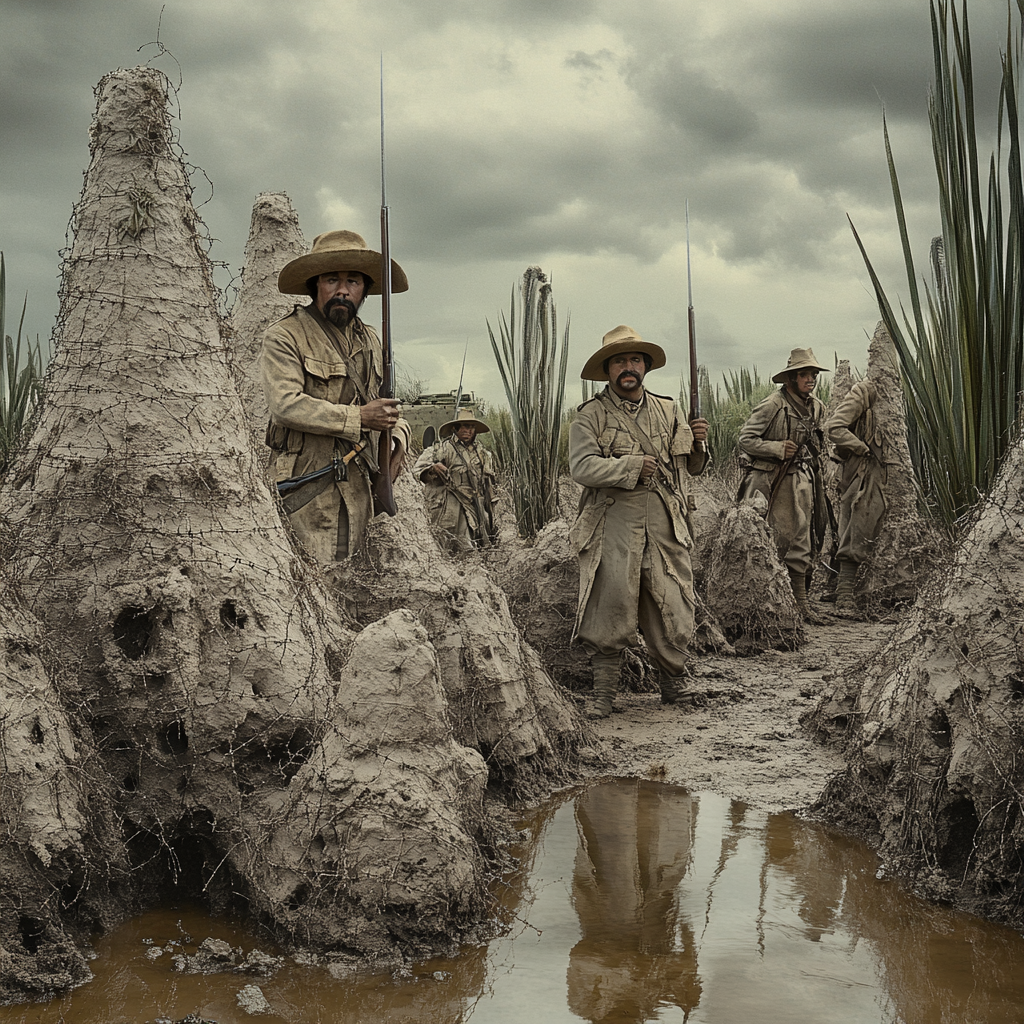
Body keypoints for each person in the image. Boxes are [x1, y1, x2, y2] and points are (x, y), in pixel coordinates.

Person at [569, 324, 709, 719]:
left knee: (671, 599)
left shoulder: (670, 409)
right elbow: (582, 466)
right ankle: (604, 694)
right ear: (607, 370)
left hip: (664, 518)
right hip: (613, 518)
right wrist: (630, 466)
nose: (627, 368)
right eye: (618, 361)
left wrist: (700, 442)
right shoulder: (590, 416)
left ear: (645, 366)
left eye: (634, 360)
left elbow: (691, 468)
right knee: (609, 600)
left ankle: (672, 684)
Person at [261, 229, 411, 561]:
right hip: (305, 491)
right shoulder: (285, 336)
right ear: (315, 284)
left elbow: (387, 405)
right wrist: (359, 418)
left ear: (366, 291)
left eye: (353, 281)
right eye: (332, 280)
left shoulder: (372, 341)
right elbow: (284, 405)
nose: (342, 290)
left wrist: (399, 438)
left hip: (359, 489)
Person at [737, 348, 830, 623]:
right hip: (770, 481)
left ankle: (800, 603)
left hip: (802, 479)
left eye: (813, 374)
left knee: (803, 537)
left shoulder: (816, 407)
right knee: (776, 539)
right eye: (804, 375)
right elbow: (746, 439)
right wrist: (777, 448)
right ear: (791, 379)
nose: (810, 380)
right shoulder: (773, 405)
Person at [825, 332, 899, 617]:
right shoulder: (864, 391)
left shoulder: (894, 394)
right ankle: (844, 594)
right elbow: (834, 427)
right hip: (863, 475)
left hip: (884, 475)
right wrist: (861, 448)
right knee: (855, 526)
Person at [412, 407, 497, 553]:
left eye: (471, 426)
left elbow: (488, 483)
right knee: (455, 547)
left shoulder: (483, 454)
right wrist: (433, 468)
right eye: (464, 426)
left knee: (482, 546)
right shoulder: (441, 449)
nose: (468, 430)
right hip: (451, 507)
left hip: (477, 506)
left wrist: (491, 509)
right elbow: (416, 471)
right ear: (455, 428)